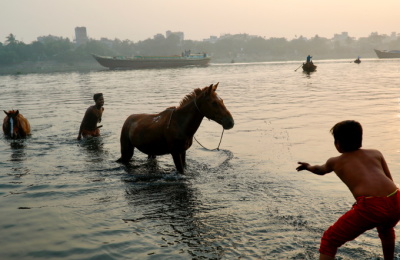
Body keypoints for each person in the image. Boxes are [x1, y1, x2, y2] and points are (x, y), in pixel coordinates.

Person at [296, 120, 400, 260]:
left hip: (371, 205)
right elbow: (389, 180)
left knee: (330, 240)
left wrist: (308, 167)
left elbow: (320, 170)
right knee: (386, 229)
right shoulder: (376, 153)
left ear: (337, 144)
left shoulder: (335, 161)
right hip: (396, 199)